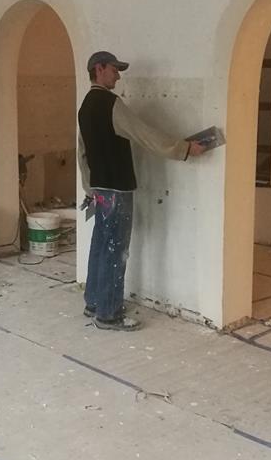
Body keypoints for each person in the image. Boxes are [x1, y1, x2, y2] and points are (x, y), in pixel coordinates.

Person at [77, 51, 206, 331]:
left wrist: (89, 188)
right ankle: (109, 315)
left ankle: (94, 303)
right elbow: (144, 134)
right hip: (117, 189)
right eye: (114, 70)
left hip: (100, 190)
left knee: (100, 245)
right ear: (99, 69)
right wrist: (184, 149)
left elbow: (82, 153)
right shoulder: (110, 103)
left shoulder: (85, 106)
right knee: (116, 250)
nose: (117, 76)